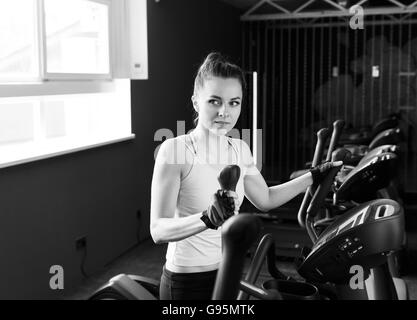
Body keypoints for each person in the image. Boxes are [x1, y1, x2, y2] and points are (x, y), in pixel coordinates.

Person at [150, 52, 342, 300]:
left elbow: (266, 199)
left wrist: (313, 177)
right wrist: (207, 218)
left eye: (234, 102)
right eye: (214, 101)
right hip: (186, 282)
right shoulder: (175, 150)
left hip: (226, 274)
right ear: (196, 102)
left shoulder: (239, 149)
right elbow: (158, 230)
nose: (224, 112)